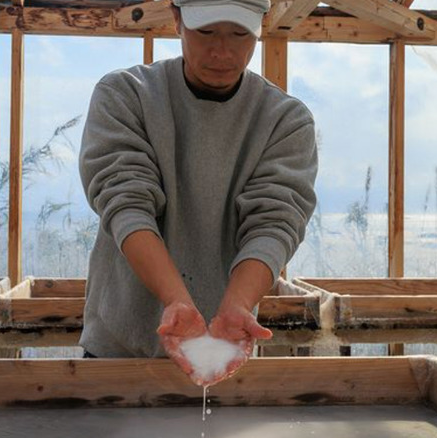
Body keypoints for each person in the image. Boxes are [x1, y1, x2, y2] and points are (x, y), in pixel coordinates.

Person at [78, 0, 317, 384]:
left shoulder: (285, 120)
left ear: (261, 27)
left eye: (240, 34)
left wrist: (239, 304)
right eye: (206, 32)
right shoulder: (126, 95)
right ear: (176, 19)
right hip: (120, 349)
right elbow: (126, 203)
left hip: (223, 350)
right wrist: (176, 301)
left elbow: (275, 222)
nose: (222, 51)